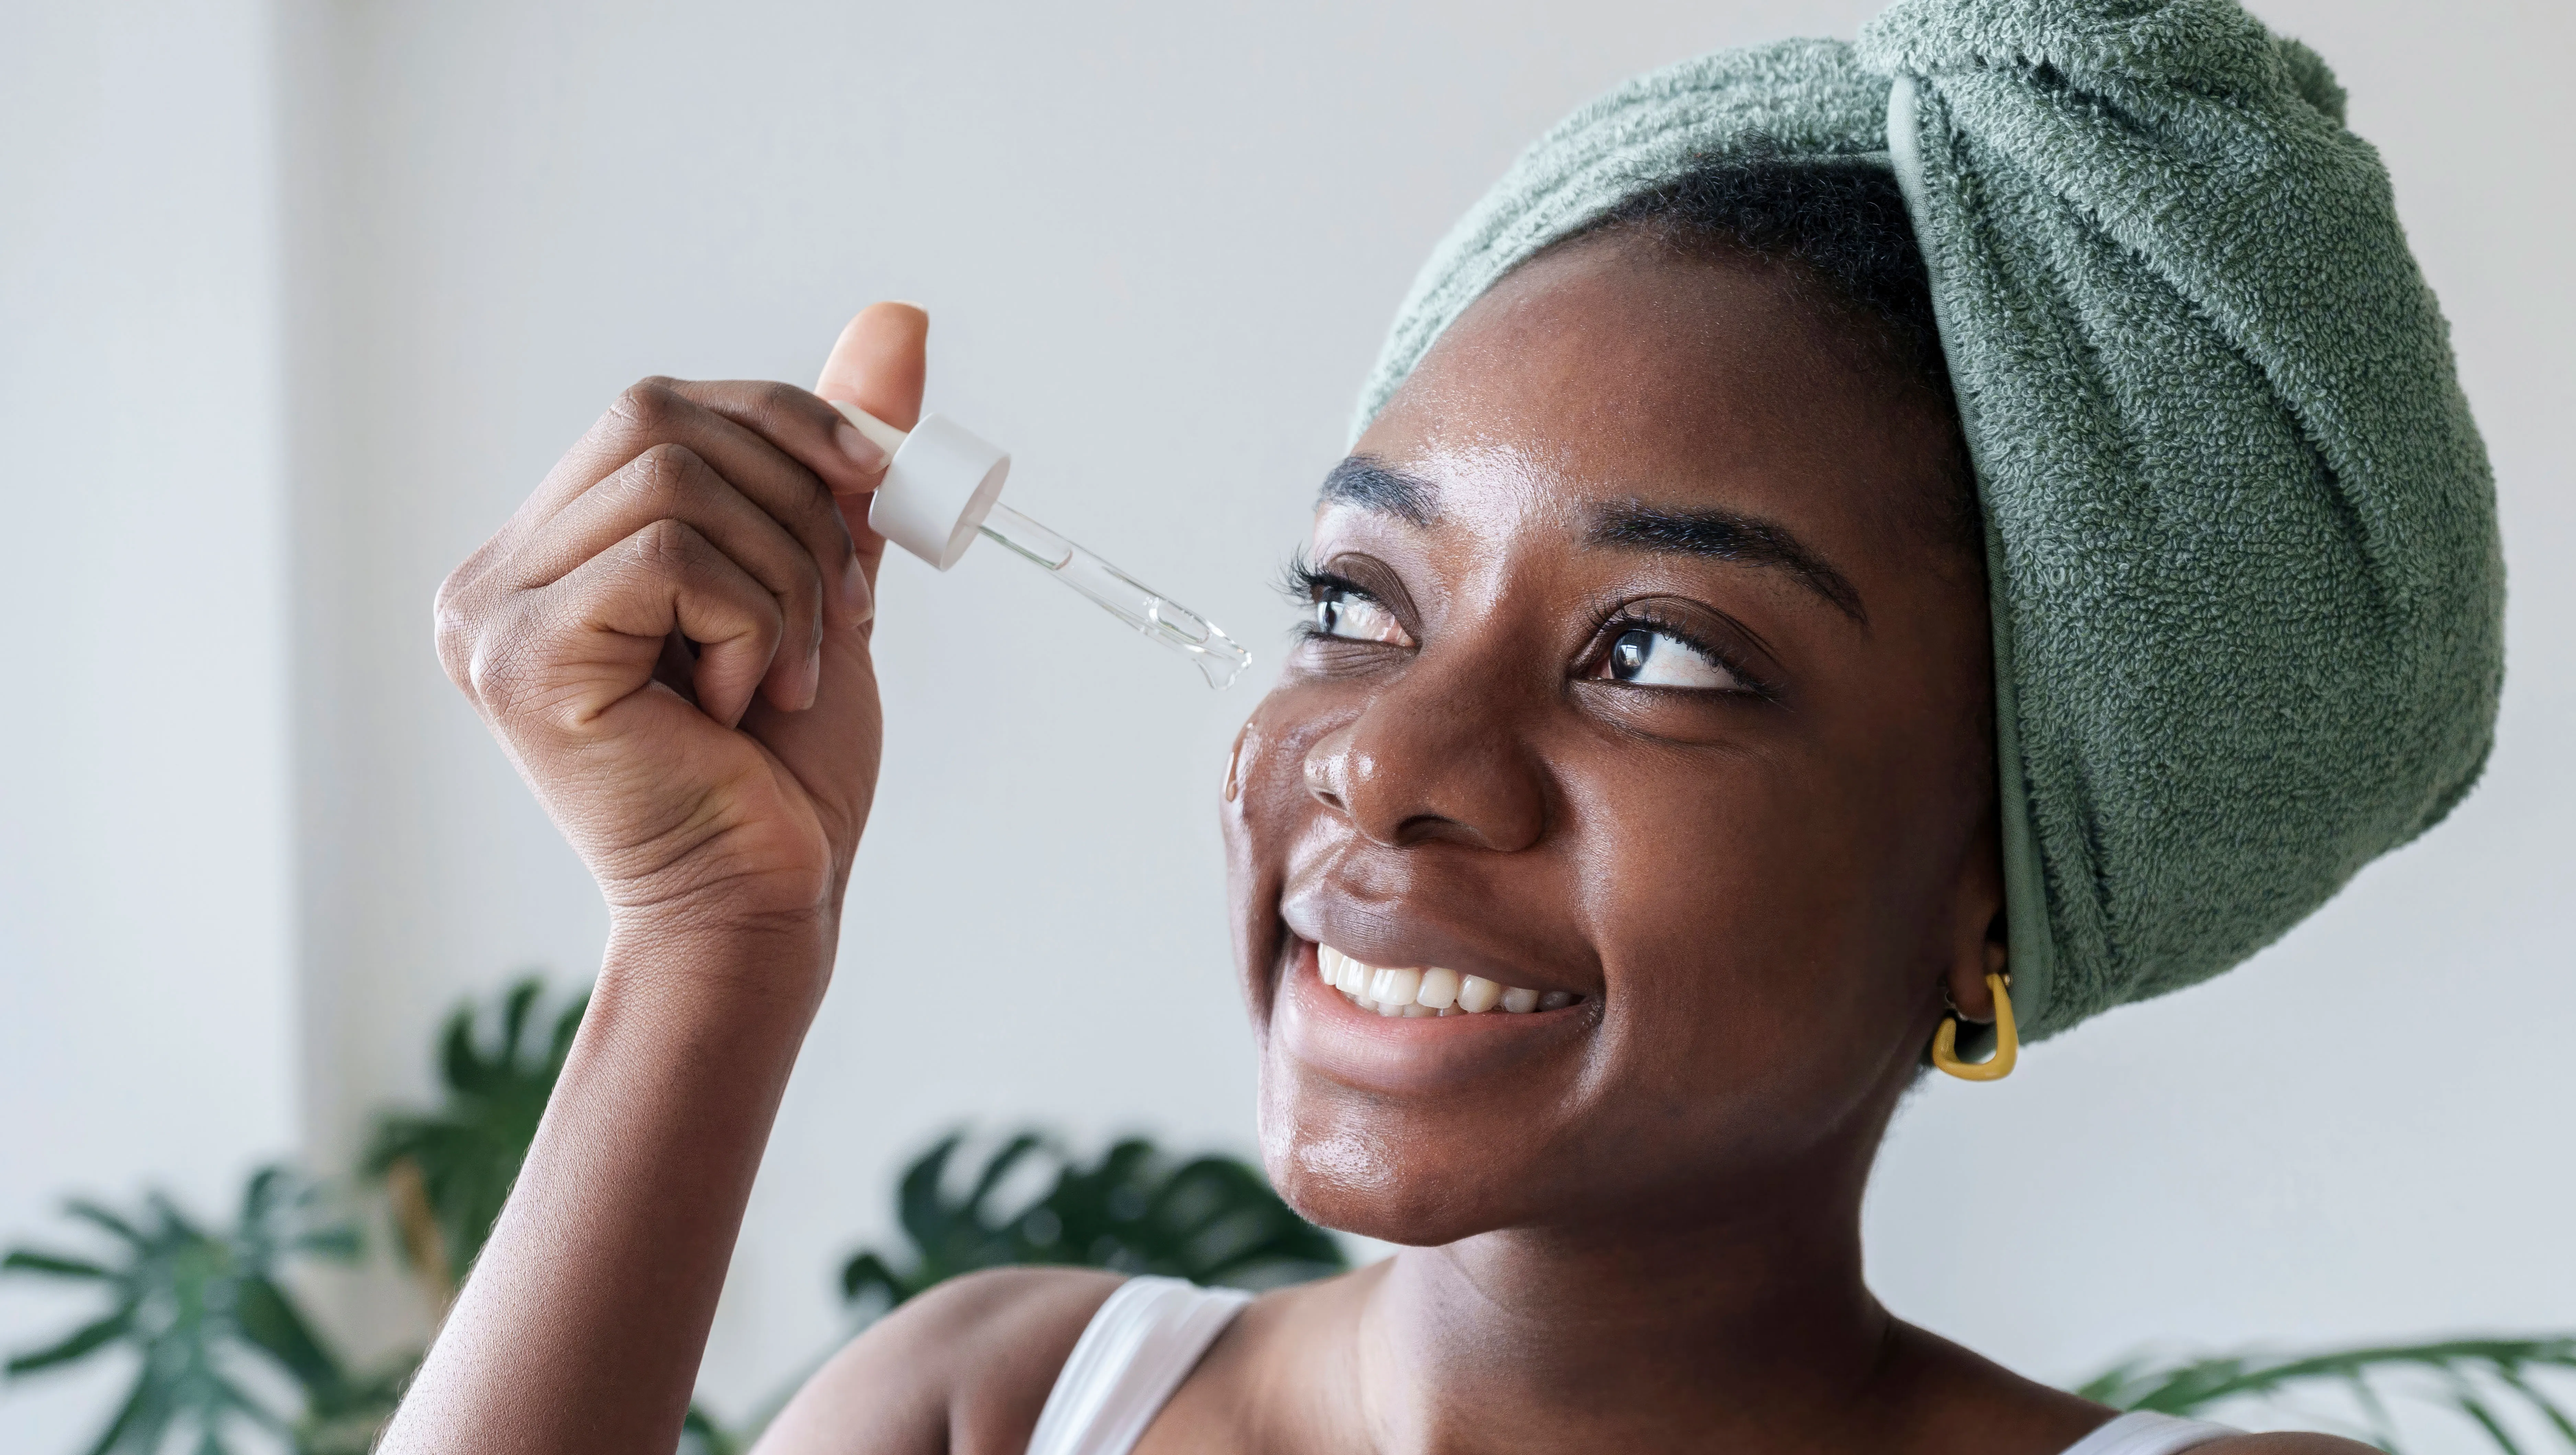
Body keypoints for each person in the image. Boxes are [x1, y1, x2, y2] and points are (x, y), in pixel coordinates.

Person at [388, 2, 2502, 1452]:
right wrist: (710, 936)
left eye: (1658, 652)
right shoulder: (1003, 1409)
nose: (1385, 759)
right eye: (1350, 603)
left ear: (1988, 884)